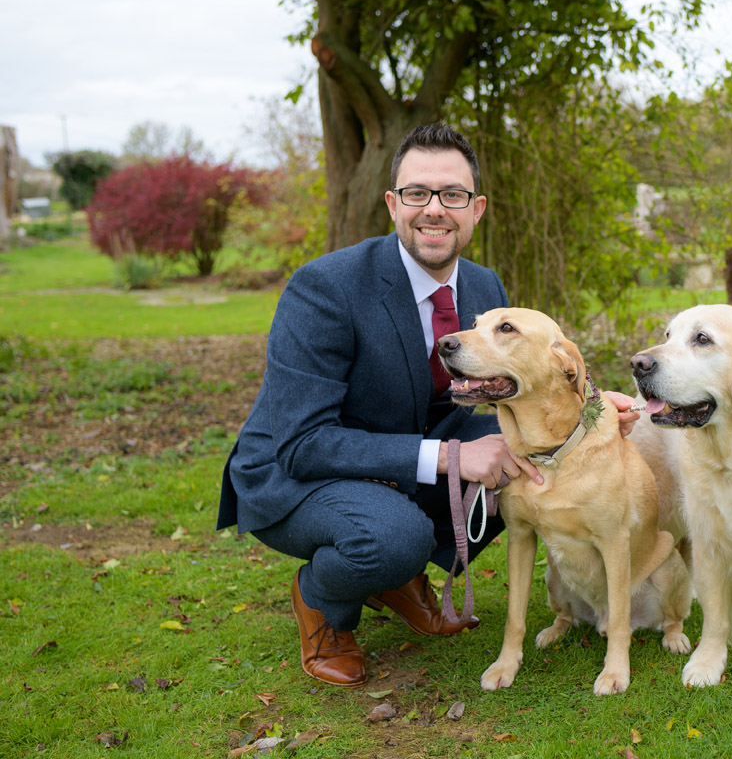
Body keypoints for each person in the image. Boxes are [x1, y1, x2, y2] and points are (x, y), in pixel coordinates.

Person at [218, 123, 636, 687]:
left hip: (395, 463)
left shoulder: (485, 291)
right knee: (394, 536)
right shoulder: (325, 288)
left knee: (516, 475)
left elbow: (500, 392)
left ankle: (394, 577)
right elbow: (302, 443)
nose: (434, 209)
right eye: (418, 193)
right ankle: (323, 600)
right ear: (393, 204)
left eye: (453, 195)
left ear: (476, 208)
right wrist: (447, 457)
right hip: (296, 473)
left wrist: (585, 414)